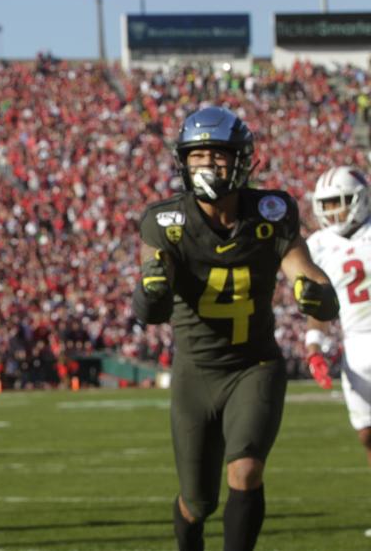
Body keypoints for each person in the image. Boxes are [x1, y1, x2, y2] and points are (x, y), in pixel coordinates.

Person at [132, 106, 338, 551]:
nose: (208, 165)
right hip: (196, 373)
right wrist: (153, 285)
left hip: (254, 365)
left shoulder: (272, 210)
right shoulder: (166, 220)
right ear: (183, 161)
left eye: (219, 154)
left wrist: (311, 287)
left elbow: (302, 268)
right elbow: (150, 303)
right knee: (197, 503)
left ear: (242, 158)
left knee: (245, 469)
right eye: (198, 155)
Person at [305, 166, 371, 537]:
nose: (332, 211)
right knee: (366, 433)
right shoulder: (317, 245)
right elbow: (320, 307)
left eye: (339, 202)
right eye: (326, 203)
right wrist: (314, 347)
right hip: (355, 343)